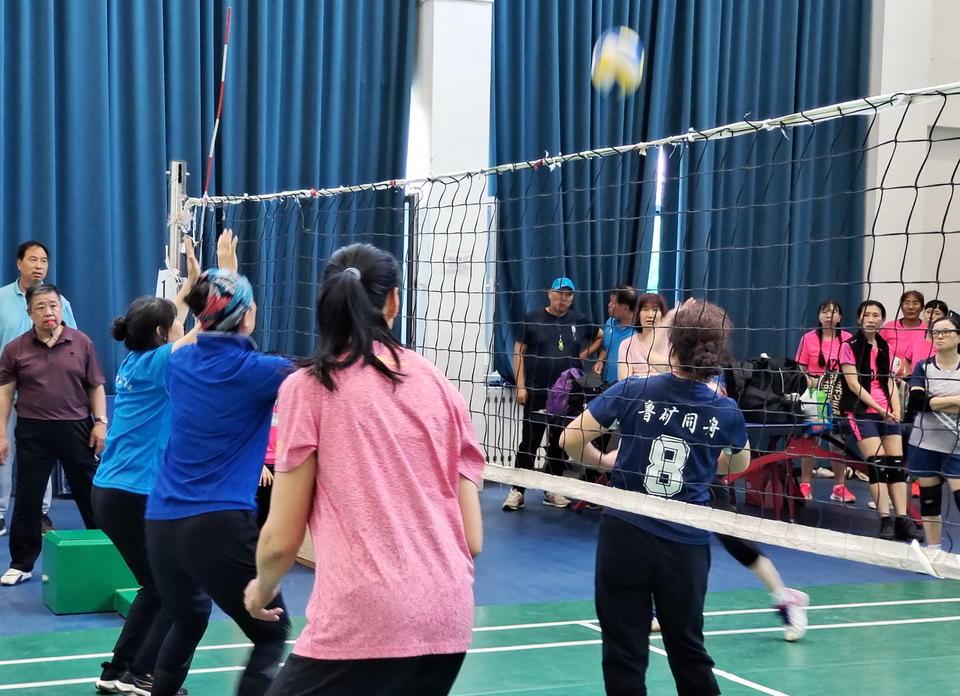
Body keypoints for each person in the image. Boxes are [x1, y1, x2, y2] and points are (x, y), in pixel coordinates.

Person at [244, 243, 484, 696]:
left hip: (364, 619)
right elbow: (471, 539)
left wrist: (260, 590)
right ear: (394, 301)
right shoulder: (440, 385)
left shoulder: (310, 387)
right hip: (448, 617)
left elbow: (281, 539)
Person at [561, 300, 750, 696]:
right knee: (688, 653)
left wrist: (604, 461)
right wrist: (703, 459)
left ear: (672, 344)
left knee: (623, 654)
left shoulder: (634, 389)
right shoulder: (725, 409)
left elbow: (569, 440)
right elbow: (737, 463)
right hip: (684, 544)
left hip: (625, 535)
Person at [145, 232, 292, 696]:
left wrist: (224, 275)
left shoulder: (178, 365)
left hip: (161, 523)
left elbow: (205, 322)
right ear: (247, 316)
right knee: (270, 634)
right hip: (217, 524)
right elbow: (330, 372)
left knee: (188, 617)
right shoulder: (263, 372)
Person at [93, 238, 201, 695]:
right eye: (173, 325)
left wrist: (191, 282)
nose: (179, 325)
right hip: (133, 493)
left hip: (111, 490)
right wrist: (226, 277)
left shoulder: (136, 359)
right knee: (172, 589)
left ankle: (118, 672)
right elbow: (210, 326)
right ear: (161, 333)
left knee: (154, 586)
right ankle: (143, 674)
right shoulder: (159, 362)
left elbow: (174, 314)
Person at [0, 284, 106, 585]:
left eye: (53, 305)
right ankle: (22, 564)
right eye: (41, 307)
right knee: (28, 498)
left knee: (91, 495)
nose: (49, 312)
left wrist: (100, 422)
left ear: (61, 308)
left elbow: (95, 385)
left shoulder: (81, 342)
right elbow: (5, 394)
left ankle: (109, 552)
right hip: (34, 431)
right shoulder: (15, 349)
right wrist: (1, 434)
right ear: (29, 313)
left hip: (77, 429)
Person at [0, 241, 79, 537]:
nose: (39, 266)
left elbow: (73, 341)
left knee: (39, 457)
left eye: (44, 260)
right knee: (2, 454)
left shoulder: (59, 302)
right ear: (18, 263)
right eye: (33, 259)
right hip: (5, 391)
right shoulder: (1, 299)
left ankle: (40, 513)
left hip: (44, 396)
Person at [502, 276, 591, 512]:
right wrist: (521, 386)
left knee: (559, 443)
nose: (564, 298)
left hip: (566, 395)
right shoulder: (531, 318)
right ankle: (517, 491)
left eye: (568, 295)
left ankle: (552, 490)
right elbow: (518, 352)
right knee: (529, 442)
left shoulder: (579, 320)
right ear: (549, 293)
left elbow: (601, 335)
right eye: (559, 293)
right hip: (537, 392)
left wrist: (585, 357)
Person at [839, 300, 917, 541]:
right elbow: (853, 385)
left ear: (882, 320)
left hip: (887, 413)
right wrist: (880, 409)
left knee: (896, 465)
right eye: (867, 315)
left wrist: (896, 408)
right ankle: (885, 520)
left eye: (876, 315)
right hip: (860, 411)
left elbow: (889, 381)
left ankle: (902, 519)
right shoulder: (848, 346)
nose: (871, 319)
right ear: (859, 319)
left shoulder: (885, 346)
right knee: (878, 465)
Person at [905, 315, 960, 551]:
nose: (939, 336)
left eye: (946, 331)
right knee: (929, 499)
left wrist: (933, 401)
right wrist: (955, 400)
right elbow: (917, 402)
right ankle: (933, 550)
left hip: (956, 446)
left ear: (959, 336)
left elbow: (926, 402)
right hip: (924, 442)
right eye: (935, 332)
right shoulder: (923, 366)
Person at [794, 300, 856, 503]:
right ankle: (805, 484)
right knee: (811, 441)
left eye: (834, 311)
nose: (829, 315)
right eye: (825, 311)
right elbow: (800, 370)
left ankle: (839, 487)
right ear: (819, 316)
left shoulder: (848, 339)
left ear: (840, 317)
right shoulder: (808, 338)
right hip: (815, 395)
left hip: (839, 397)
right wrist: (814, 384)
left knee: (838, 442)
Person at [617, 293, 670, 380]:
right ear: (638, 314)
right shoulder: (626, 345)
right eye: (645, 309)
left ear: (663, 315)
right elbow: (624, 381)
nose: (650, 315)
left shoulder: (672, 343)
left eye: (655, 309)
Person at [593, 285, 638, 383]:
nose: (609, 305)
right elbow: (606, 348)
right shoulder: (610, 322)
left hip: (628, 385)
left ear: (625, 308)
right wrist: (600, 360)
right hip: (607, 383)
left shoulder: (640, 331)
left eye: (613, 303)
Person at [879, 290, 927, 379]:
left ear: (922, 307)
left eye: (915, 303)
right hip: (890, 377)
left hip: (920, 378)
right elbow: (876, 351)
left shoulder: (928, 329)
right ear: (901, 307)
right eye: (906, 303)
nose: (911, 307)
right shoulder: (889, 327)